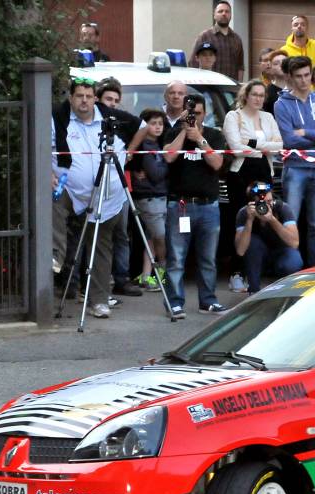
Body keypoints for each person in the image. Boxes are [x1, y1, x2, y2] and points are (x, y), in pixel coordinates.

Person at [51, 79, 145, 318]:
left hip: (106, 194)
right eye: (79, 96)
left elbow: (143, 126)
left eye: (88, 96)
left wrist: (129, 153)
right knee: (53, 211)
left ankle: (99, 301)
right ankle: (54, 256)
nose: (84, 101)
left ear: (95, 98)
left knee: (101, 246)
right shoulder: (57, 116)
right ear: (71, 98)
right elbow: (42, 146)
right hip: (68, 189)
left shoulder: (110, 116)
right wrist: (48, 173)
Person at [161, 94, 226, 318]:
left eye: (197, 114)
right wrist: (183, 130)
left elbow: (217, 163)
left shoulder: (215, 135)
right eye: (190, 114)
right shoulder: (172, 132)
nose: (194, 118)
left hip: (208, 206)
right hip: (180, 206)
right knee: (176, 258)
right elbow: (169, 157)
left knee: (207, 258)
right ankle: (175, 302)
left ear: (204, 114)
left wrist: (199, 138)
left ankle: (208, 301)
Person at [274, 56, 315, 266]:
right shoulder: (281, 104)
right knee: (290, 222)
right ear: (290, 78)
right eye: (298, 76)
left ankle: (313, 268)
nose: (303, 80)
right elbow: (289, 139)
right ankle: (290, 268)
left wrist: (304, 132)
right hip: (295, 168)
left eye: (307, 75)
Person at [223, 80, 283, 292]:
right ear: (246, 95)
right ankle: (236, 271)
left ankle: (255, 272)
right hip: (241, 174)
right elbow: (236, 148)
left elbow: (279, 146)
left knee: (262, 219)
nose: (258, 98)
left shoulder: (268, 117)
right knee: (240, 220)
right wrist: (263, 148)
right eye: (254, 94)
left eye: (261, 95)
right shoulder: (234, 116)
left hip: (264, 172)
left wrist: (253, 143)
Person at [93, 79, 143, 298]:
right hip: (95, 185)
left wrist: (129, 152)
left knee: (121, 234)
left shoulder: (122, 122)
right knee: (94, 234)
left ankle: (121, 279)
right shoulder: (93, 120)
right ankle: (89, 282)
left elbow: (143, 127)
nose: (111, 104)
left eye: (115, 100)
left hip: (119, 187)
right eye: (107, 99)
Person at [234, 181, 303, 294]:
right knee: (253, 243)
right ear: (252, 203)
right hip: (259, 256)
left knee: (293, 261)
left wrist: (272, 219)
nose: (266, 206)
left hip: (282, 253)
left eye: (269, 201)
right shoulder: (244, 213)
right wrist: (249, 220)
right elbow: (240, 251)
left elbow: (294, 243)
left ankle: (288, 292)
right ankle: (254, 291)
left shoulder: (282, 208)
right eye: (262, 203)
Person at [129, 108, 168, 292]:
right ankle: (161, 273)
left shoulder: (157, 145)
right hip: (150, 198)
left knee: (151, 238)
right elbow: (156, 174)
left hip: (157, 197)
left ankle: (146, 276)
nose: (158, 127)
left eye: (160, 123)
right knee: (160, 237)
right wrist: (168, 162)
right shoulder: (144, 146)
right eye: (153, 123)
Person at [188, 0, 244, 80]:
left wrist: (238, 87)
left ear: (231, 15)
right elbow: (193, 63)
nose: (224, 14)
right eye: (220, 11)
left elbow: (240, 66)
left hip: (230, 88)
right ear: (214, 15)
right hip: (210, 86)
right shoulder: (204, 36)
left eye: (227, 12)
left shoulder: (237, 39)